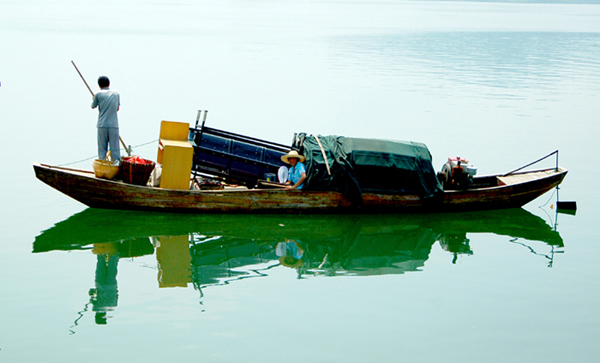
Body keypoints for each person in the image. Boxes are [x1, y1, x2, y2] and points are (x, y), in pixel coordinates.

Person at [91, 76, 121, 165]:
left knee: (102, 149)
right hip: (113, 125)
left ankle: (103, 166)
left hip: (102, 125)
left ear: (99, 85)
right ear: (109, 84)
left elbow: (93, 106)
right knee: (115, 149)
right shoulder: (116, 94)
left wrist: (94, 98)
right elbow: (117, 108)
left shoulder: (98, 94)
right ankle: (116, 166)